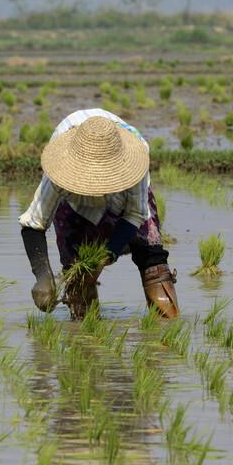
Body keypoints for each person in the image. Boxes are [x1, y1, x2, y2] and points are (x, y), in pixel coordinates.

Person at [19, 109, 178, 320]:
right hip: (75, 207)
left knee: (153, 262)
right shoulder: (60, 169)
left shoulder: (134, 159)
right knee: (79, 278)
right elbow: (33, 222)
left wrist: (105, 256)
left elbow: (135, 213)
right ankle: (85, 335)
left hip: (123, 202)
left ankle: (166, 327)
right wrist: (43, 277)